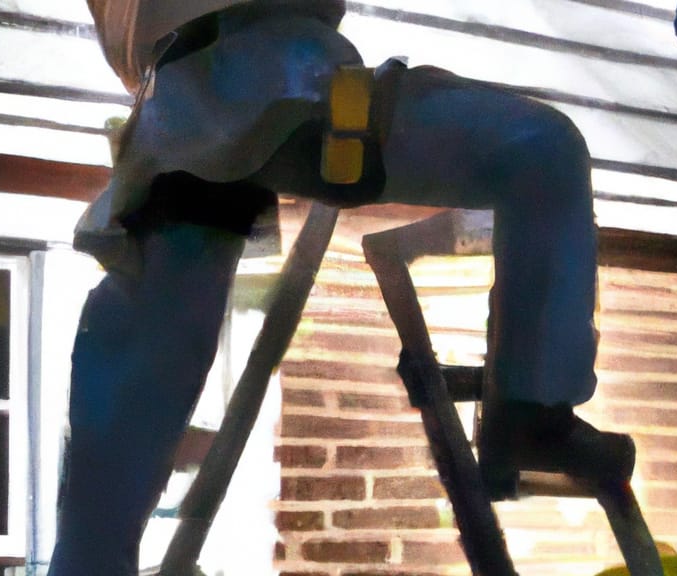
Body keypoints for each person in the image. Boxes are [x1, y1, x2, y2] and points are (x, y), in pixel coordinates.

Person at [49, 1, 632, 574]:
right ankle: (531, 417)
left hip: (176, 111)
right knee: (542, 150)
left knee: (149, 349)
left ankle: (86, 557)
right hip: (274, 78)